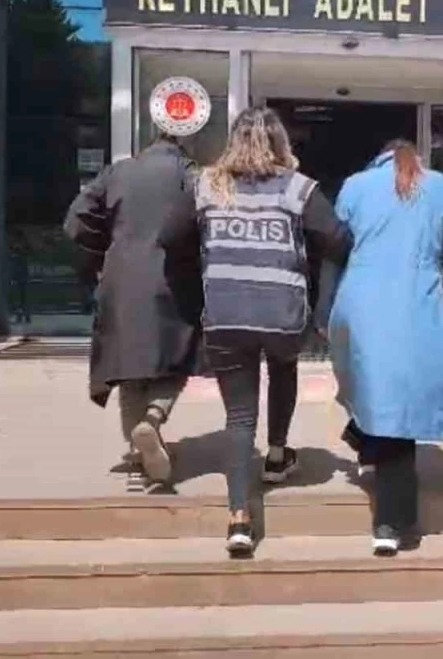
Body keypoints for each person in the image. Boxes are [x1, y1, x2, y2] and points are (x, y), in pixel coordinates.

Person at [171, 106, 352, 558]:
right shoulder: (298, 187)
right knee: (284, 365)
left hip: (226, 312)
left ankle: (238, 517)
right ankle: (276, 454)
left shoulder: (207, 185)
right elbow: (339, 238)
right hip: (281, 313)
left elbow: (170, 237)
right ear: (280, 142)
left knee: (238, 417)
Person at [327, 139, 443, 557]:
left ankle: (389, 519)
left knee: (381, 403)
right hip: (415, 303)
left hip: (362, 303)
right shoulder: (440, 187)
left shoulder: (355, 185)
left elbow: (337, 240)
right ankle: (394, 519)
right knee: (397, 408)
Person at [64, 132, 202, 491]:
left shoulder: (118, 172)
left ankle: (139, 465)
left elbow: (76, 220)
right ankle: (153, 419)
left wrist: (105, 247)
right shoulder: (189, 173)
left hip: (121, 279)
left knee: (129, 373)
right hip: (172, 280)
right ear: (183, 145)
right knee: (177, 359)